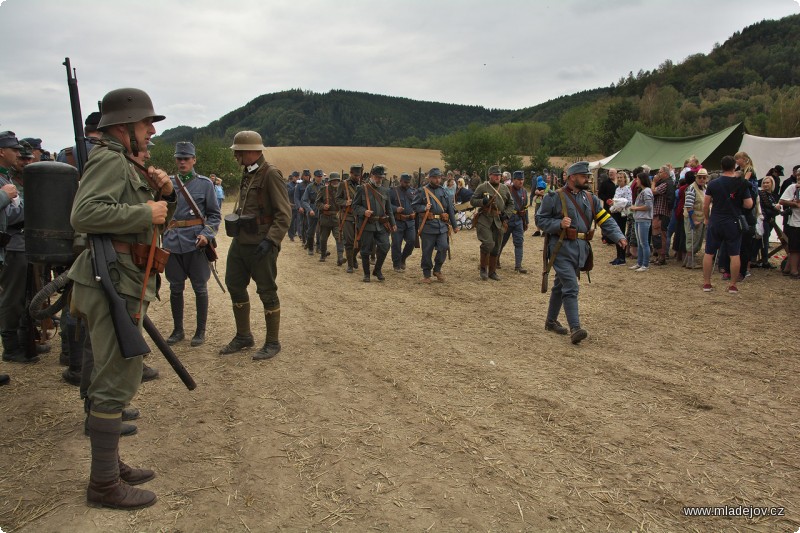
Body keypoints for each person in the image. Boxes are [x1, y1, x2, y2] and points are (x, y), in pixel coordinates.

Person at [68, 88, 175, 509]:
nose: (151, 130)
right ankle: (104, 484)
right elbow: (84, 213)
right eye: (146, 123)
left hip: (123, 277)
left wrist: (161, 196)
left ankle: (110, 466)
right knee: (116, 379)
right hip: (113, 279)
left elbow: (137, 213)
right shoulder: (110, 159)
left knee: (114, 374)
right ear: (122, 126)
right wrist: (143, 213)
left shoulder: (128, 161)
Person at [535, 161, 626, 344]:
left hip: (581, 250)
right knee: (571, 286)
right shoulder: (554, 197)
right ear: (572, 177)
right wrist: (558, 224)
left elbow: (604, 219)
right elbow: (540, 220)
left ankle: (551, 321)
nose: (587, 179)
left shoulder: (590, 199)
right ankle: (575, 328)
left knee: (560, 285)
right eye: (584, 176)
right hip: (560, 248)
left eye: (587, 176)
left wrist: (618, 236)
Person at [220, 131, 291, 360]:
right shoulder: (247, 173)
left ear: (251, 151)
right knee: (234, 284)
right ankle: (244, 336)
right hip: (241, 242)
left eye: (238, 152)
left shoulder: (270, 174)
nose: (236, 156)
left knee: (267, 291)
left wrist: (271, 240)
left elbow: (284, 214)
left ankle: (272, 342)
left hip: (262, 244)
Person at [162, 142, 221, 347]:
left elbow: (214, 216)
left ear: (194, 160)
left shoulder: (205, 184)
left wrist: (207, 235)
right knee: (175, 288)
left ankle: (200, 331)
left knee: (200, 288)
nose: (182, 162)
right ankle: (178, 330)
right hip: (172, 242)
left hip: (196, 243)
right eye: (179, 158)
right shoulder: (167, 183)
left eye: (186, 158)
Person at [702, 155, 753, 293]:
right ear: (734, 166)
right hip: (733, 221)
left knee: (709, 252)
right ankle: (733, 285)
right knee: (734, 254)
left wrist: (707, 218)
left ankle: (707, 283)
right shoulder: (741, 183)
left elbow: (706, 204)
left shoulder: (713, 183)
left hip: (716, 220)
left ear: (721, 166)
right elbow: (749, 204)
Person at [0, 132, 21, 385]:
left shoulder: (6, 177)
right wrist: (5, 195)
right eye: (12, 149)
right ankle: (11, 346)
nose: (17, 153)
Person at [411, 168, 457, 282]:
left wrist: (455, 225)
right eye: (435, 178)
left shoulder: (443, 191)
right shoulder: (422, 191)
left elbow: (450, 208)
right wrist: (423, 208)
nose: (438, 180)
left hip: (441, 225)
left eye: (439, 178)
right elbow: (414, 206)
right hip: (428, 226)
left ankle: (437, 269)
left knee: (443, 247)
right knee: (427, 250)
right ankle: (426, 275)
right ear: (430, 178)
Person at [351, 165, 395, 282]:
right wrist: (364, 211)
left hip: (381, 225)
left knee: (385, 246)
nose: (379, 180)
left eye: (381, 178)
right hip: (367, 224)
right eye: (377, 177)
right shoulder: (362, 189)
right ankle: (366, 274)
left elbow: (389, 209)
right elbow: (354, 206)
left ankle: (377, 270)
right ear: (371, 176)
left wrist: (393, 223)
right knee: (365, 250)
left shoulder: (385, 191)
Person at [470, 165, 514, 280]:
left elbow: (511, 203)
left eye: (499, 175)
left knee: (496, 247)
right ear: (490, 175)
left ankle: (492, 272)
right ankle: (483, 269)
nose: (497, 177)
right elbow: (472, 201)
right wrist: (482, 201)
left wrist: (507, 214)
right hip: (485, 218)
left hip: (499, 220)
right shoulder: (482, 186)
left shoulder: (504, 188)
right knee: (488, 243)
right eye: (495, 175)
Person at [499, 170, 528, 273]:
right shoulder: (508, 190)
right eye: (519, 180)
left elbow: (525, 208)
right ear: (514, 180)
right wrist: (503, 219)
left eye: (522, 179)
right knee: (502, 242)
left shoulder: (524, 192)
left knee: (519, 243)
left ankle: (518, 266)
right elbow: (502, 206)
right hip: (508, 220)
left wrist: (526, 221)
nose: (521, 182)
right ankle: (496, 260)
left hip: (519, 221)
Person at [335, 164, 363, 273]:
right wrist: (346, 202)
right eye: (355, 175)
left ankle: (353, 257)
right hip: (348, 216)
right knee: (349, 241)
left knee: (361, 242)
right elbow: (337, 199)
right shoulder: (343, 184)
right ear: (351, 173)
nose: (357, 177)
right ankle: (350, 265)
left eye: (359, 175)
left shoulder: (362, 185)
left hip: (360, 216)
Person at [315, 171, 344, 265]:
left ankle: (340, 257)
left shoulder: (342, 190)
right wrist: (323, 206)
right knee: (323, 238)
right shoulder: (323, 189)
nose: (336, 182)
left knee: (339, 238)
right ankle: (323, 254)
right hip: (325, 218)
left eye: (337, 181)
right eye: (334, 181)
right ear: (330, 181)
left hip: (336, 218)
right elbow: (317, 203)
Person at [390, 172, 416, 272]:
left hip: (410, 221)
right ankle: (396, 264)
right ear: (400, 181)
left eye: (409, 182)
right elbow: (387, 206)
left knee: (412, 241)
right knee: (396, 243)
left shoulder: (413, 192)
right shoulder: (392, 191)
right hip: (398, 221)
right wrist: (396, 209)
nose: (407, 184)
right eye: (405, 182)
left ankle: (403, 258)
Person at [627, 172, 653, 272]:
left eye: (637, 179)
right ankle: (640, 262)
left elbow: (648, 206)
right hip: (639, 218)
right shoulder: (643, 191)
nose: (636, 181)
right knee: (640, 242)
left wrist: (636, 208)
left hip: (644, 219)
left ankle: (645, 264)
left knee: (644, 242)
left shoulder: (646, 191)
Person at [683, 168, 707, 268]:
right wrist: (694, 220)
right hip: (692, 218)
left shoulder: (705, 188)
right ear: (696, 178)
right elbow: (689, 206)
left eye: (704, 177)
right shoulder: (692, 188)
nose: (702, 179)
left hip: (701, 217)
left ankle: (688, 260)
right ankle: (690, 262)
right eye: (699, 177)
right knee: (691, 239)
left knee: (698, 240)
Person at [779, 175, 800, 277]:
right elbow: (781, 201)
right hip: (795, 222)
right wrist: (793, 204)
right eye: (799, 175)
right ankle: (794, 271)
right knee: (794, 248)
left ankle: (787, 268)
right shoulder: (793, 187)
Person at [651, 165, 672, 265]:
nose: (658, 174)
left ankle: (661, 257)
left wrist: (654, 182)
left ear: (665, 173)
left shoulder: (665, 184)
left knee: (660, 235)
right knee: (658, 235)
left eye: (660, 172)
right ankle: (659, 256)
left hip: (661, 213)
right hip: (661, 213)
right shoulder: (667, 183)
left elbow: (652, 192)